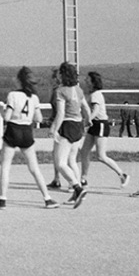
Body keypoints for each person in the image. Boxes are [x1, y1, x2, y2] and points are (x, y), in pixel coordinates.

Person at [0, 67, 59, 210]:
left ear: (19, 80)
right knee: (34, 168)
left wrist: (1, 109)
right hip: (27, 131)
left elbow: (7, 117)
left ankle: (2, 199)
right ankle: (47, 198)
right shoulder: (34, 97)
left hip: (13, 130)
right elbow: (38, 118)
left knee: (6, 166)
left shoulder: (12, 95)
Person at [49, 62, 90, 208]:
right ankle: (76, 193)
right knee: (72, 160)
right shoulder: (78, 90)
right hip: (79, 126)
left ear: (63, 74)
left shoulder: (60, 91)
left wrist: (53, 129)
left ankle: (77, 188)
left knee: (60, 163)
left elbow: (60, 113)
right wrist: (89, 120)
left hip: (67, 126)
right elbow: (85, 107)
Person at [79, 72, 129, 188]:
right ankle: (83, 179)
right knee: (84, 152)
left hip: (100, 124)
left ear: (93, 81)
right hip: (94, 124)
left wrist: (87, 121)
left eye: (88, 79)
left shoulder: (96, 94)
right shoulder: (90, 94)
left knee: (101, 156)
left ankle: (122, 174)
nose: (85, 80)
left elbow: (96, 110)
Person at [46, 67, 63, 189]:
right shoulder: (56, 91)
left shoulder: (58, 91)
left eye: (53, 77)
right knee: (57, 154)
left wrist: (54, 126)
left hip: (61, 125)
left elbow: (59, 111)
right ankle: (57, 178)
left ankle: (76, 183)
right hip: (59, 123)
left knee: (61, 155)